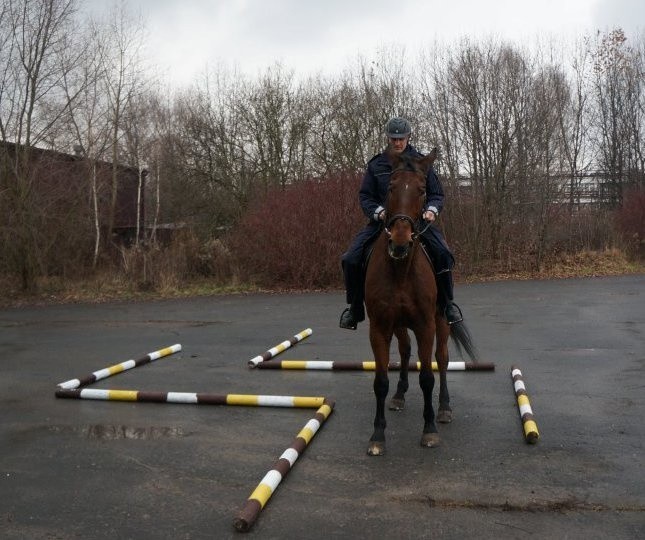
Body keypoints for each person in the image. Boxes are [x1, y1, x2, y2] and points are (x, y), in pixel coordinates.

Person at [339, 116, 463, 330]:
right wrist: (378, 212)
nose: (397, 142)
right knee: (350, 259)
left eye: (401, 138)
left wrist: (432, 210)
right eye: (394, 138)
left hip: (417, 223)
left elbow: (436, 194)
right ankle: (355, 308)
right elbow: (366, 196)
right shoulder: (376, 164)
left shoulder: (421, 163)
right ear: (388, 138)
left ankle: (447, 305)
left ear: (408, 137)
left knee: (443, 253)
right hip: (382, 223)